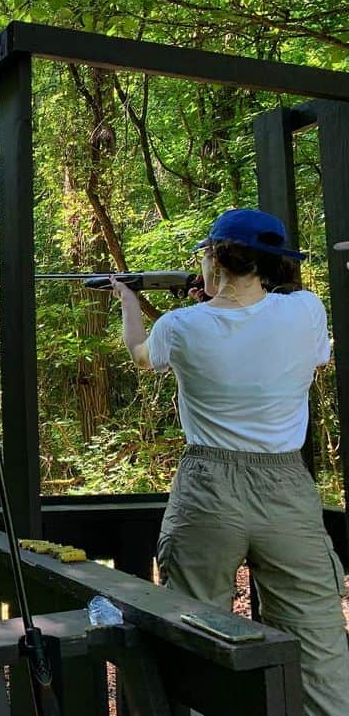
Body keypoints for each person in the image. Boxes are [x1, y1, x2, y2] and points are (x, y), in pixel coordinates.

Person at [111, 208, 349, 716]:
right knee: (316, 638)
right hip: (286, 486)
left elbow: (140, 353)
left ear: (215, 257)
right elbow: (291, 344)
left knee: (196, 628)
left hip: (208, 485)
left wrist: (129, 300)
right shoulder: (306, 310)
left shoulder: (181, 325)